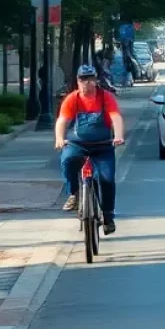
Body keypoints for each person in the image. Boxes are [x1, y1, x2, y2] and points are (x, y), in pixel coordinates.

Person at [55, 63, 124, 234]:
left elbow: (115, 117)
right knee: (67, 160)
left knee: (107, 179)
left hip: (103, 146)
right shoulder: (73, 99)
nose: (87, 83)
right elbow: (62, 121)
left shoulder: (105, 97)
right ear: (78, 81)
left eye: (90, 79)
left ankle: (108, 216)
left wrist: (118, 136)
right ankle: (74, 194)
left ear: (96, 80)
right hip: (77, 145)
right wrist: (59, 139)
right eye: (83, 79)